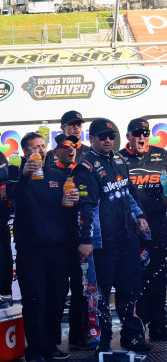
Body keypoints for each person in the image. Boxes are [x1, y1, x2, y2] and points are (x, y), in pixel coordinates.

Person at [74, 119, 151, 355]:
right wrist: (86, 240)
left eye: (110, 135)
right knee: (99, 295)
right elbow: (85, 207)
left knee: (130, 290)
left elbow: (127, 193)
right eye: (102, 136)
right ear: (92, 139)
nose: (107, 140)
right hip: (102, 243)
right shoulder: (85, 167)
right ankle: (102, 344)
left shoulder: (118, 159)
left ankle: (132, 337)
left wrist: (139, 216)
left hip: (126, 238)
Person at [12, 132, 78, 362]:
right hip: (30, 250)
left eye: (42, 146)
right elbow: (11, 199)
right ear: (25, 152)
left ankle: (51, 345)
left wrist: (73, 203)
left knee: (57, 299)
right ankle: (35, 350)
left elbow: (67, 211)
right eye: (34, 148)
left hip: (58, 249)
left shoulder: (58, 175)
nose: (39, 151)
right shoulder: (15, 175)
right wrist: (24, 177)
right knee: (34, 300)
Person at [120, 118, 167, 341]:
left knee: (158, 276)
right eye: (137, 133)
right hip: (131, 227)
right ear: (128, 135)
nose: (141, 138)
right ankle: (135, 329)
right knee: (133, 278)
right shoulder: (119, 158)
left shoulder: (163, 155)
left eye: (145, 134)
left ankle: (159, 326)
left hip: (159, 223)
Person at [51, 134, 93, 350]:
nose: (71, 149)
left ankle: (79, 335)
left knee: (81, 288)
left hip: (79, 239)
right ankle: (53, 340)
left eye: (74, 146)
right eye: (66, 146)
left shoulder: (83, 170)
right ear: (56, 151)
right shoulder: (48, 171)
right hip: (56, 241)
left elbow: (91, 201)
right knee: (57, 289)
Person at [0, 151, 15, 308]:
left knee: (5, 262)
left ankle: (6, 298)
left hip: (2, 221)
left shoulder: (1, 157)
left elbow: (7, 185)